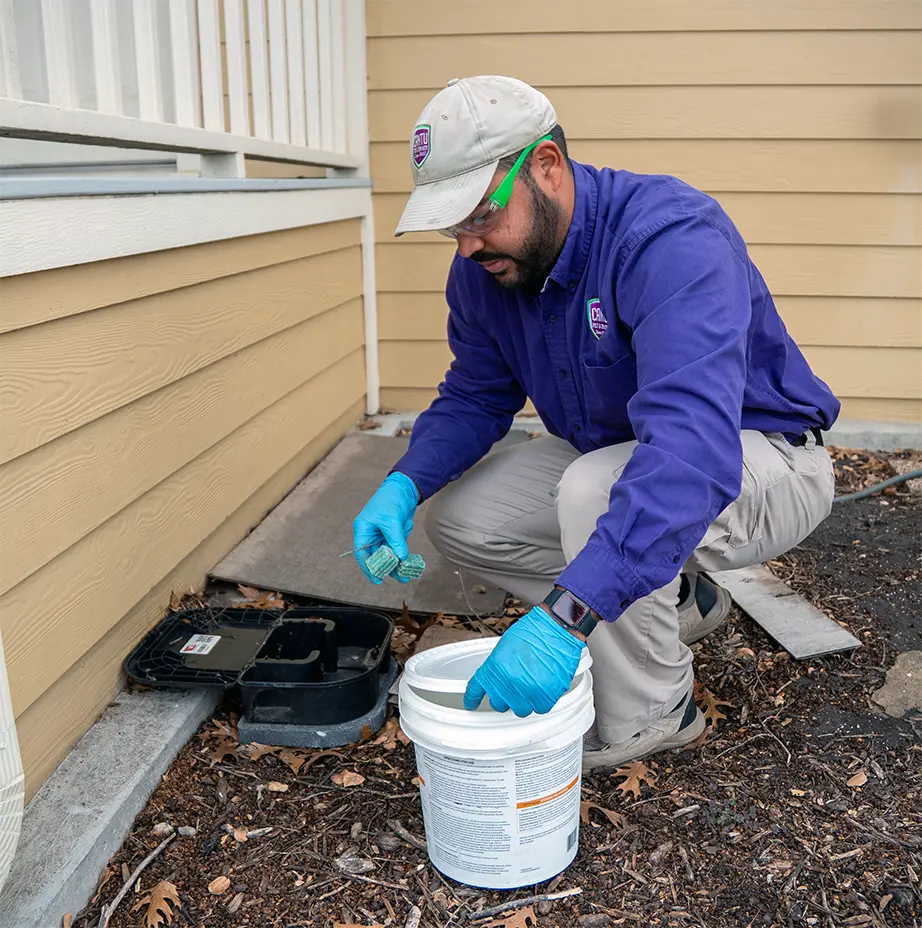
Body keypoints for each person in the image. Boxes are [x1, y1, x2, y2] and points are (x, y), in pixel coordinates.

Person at [352, 75, 839, 771]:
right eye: (451, 226)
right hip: (620, 455)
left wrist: (568, 616)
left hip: (760, 458)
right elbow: (475, 396)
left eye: (480, 214)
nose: (467, 246)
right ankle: (676, 600)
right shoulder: (488, 270)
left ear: (547, 166)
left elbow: (689, 449)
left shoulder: (669, 240)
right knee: (464, 520)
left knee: (596, 491)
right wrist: (405, 481)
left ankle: (653, 713)